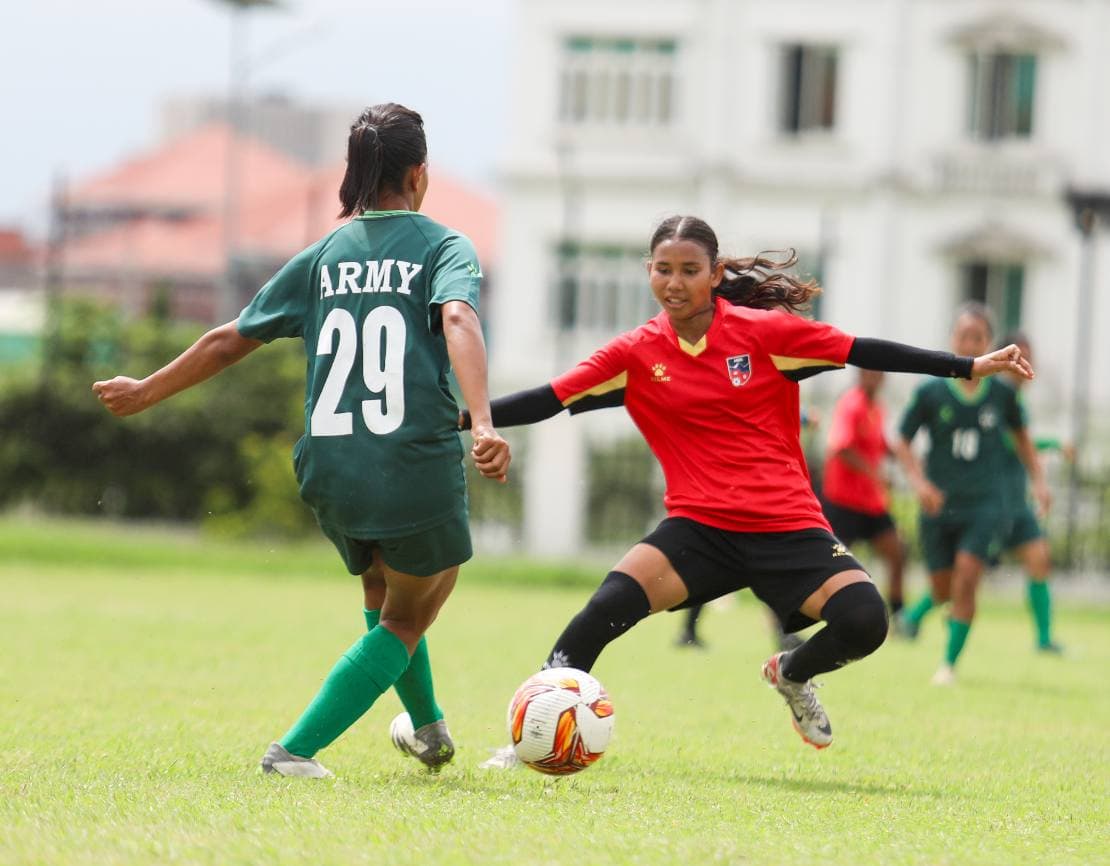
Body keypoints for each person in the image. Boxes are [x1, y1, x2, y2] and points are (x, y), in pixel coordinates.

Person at [464, 215, 1031, 766]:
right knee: (603, 611)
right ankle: (524, 742)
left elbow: (862, 349)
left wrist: (966, 365)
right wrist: (466, 421)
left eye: (689, 270)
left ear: (714, 275)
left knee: (866, 621)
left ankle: (792, 673)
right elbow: (549, 398)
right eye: (663, 269)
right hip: (699, 530)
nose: (675, 282)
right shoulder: (636, 353)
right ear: (648, 271)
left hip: (787, 526)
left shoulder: (764, 335)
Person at [92, 103, 511, 778]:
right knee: (413, 613)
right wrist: (484, 422)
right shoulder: (442, 246)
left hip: (330, 464)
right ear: (419, 173)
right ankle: (293, 752)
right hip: (408, 461)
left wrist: (145, 390)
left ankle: (430, 732)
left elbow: (232, 337)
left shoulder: (324, 255)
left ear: (355, 174)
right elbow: (458, 315)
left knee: (385, 594)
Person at [893, 305, 1045, 685]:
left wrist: (1040, 482)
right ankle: (918, 618)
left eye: (978, 337)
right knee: (942, 588)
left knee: (968, 575)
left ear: (987, 343)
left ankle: (947, 666)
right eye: (964, 336)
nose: (970, 342)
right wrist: (920, 483)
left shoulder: (1003, 394)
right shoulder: (930, 391)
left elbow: (1024, 441)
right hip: (939, 504)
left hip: (984, 504)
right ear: (952, 340)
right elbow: (902, 442)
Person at [821, 370, 906, 617]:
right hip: (844, 501)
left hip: (871, 502)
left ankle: (899, 614)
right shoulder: (851, 403)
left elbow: (878, 444)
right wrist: (875, 474)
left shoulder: (877, 408)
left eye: (878, 373)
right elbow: (841, 447)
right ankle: (799, 611)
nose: (873, 377)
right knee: (828, 564)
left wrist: (902, 454)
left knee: (897, 552)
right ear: (860, 374)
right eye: (869, 372)